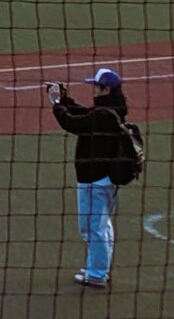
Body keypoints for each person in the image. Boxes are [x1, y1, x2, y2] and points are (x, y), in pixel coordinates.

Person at [50, 67, 134, 289]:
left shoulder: (103, 114)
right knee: (101, 225)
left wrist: (56, 105)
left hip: (95, 180)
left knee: (91, 227)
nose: (94, 90)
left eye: (96, 86)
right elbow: (84, 114)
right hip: (105, 179)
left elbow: (73, 123)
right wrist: (66, 100)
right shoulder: (111, 110)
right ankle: (100, 268)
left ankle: (97, 274)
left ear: (105, 89)